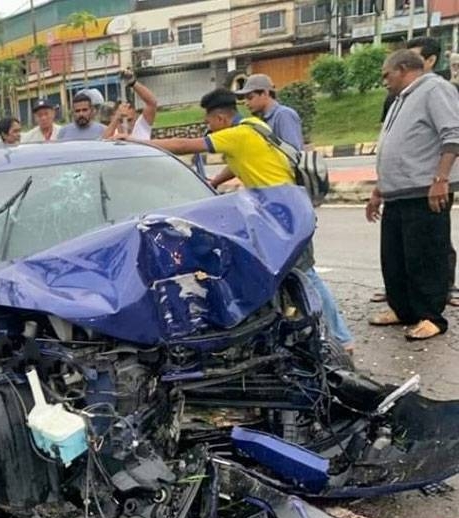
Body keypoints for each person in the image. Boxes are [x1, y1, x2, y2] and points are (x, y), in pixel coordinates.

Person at [151, 89, 354, 351]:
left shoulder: (239, 135)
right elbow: (240, 161)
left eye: (209, 122)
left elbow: (183, 145)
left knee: (305, 275)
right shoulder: (254, 126)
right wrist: (214, 182)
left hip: (285, 215)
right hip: (290, 208)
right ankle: (298, 330)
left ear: (221, 118)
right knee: (287, 274)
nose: (208, 128)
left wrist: (134, 141)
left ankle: (341, 338)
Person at [366, 49, 459, 341]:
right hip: (397, 194)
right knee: (395, 259)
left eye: (387, 74)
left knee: (425, 258)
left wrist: (441, 179)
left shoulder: (435, 89)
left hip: (424, 192)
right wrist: (379, 190)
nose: (384, 81)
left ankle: (431, 317)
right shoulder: (401, 98)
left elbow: (453, 135)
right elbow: (398, 147)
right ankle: (403, 310)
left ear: (404, 68)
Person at [103, 76, 159, 141]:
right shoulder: (112, 134)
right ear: (113, 118)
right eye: (120, 121)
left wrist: (133, 83)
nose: (125, 125)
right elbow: (103, 142)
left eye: (130, 120)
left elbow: (152, 103)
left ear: (135, 116)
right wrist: (117, 118)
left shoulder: (142, 126)